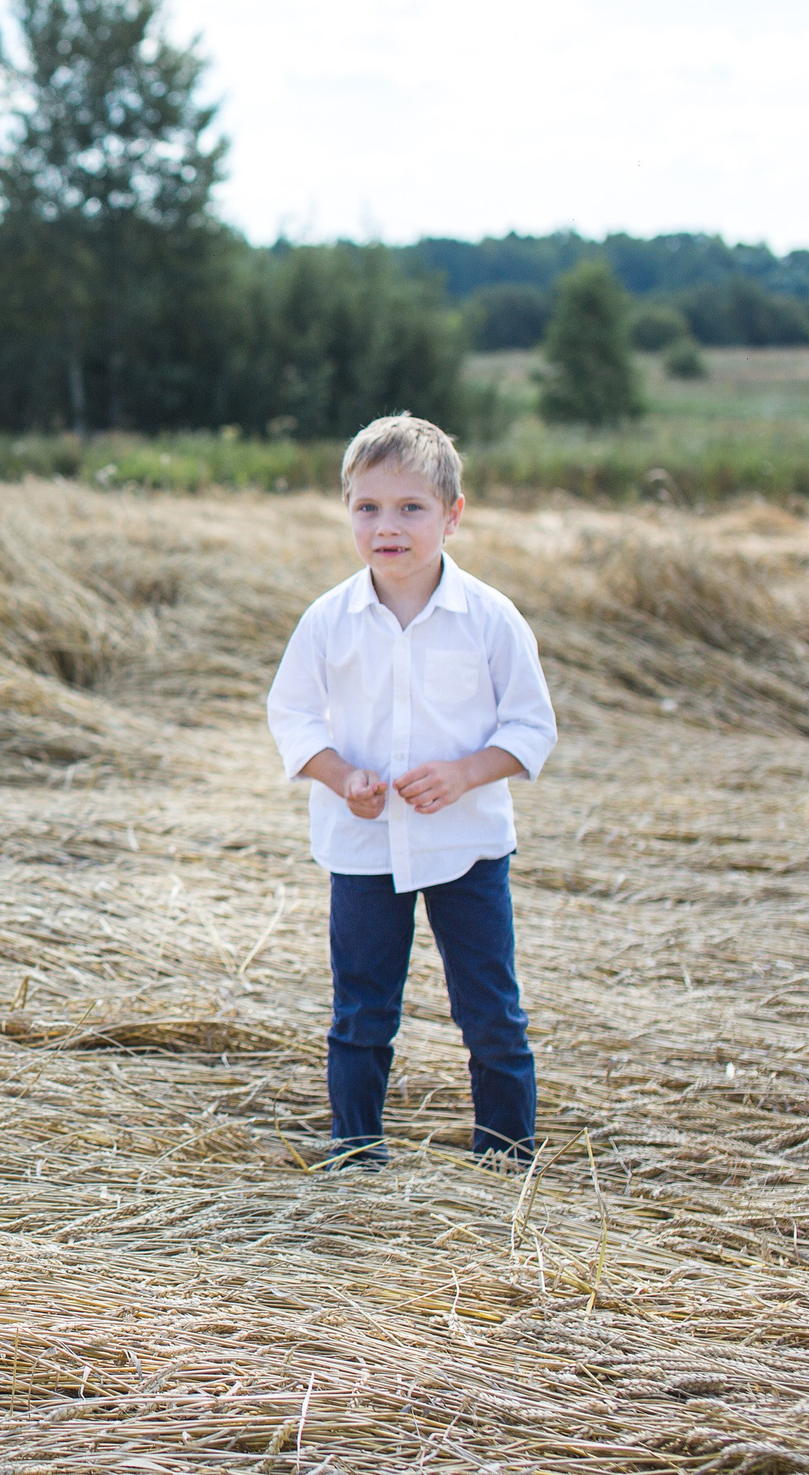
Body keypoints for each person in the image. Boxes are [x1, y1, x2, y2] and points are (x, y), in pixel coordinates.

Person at [265, 415, 557, 1167]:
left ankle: (505, 1157)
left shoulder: (490, 618)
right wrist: (340, 776)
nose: (387, 526)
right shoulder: (328, 620)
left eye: (411, 508)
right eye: (368, 507)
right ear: (347, 512)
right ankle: (357, 1155)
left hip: (468, 846)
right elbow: (291, 714)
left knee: (491, 1013)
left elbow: (532, 726)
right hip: (362, 847)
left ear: (452, 515)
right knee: (362, 1011)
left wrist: (464, 772)